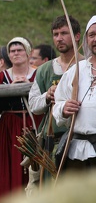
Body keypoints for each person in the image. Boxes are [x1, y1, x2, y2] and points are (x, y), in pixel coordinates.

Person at [0, 37, 42, 200]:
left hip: (34, 124)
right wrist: (10, 90)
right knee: (9, 167)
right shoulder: (3, 76)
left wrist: (29, 87)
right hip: (10, 127)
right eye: (12, 51)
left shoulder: (38, 73)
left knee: (35, 166)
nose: (16, 53)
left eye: (19, 50)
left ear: (28, 53)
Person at [28, 16, 82, 154]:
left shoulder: (88, 66)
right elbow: (33, 105)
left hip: (81, 140)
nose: (59, 38)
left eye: (64, 33)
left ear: (77, 36)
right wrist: (47, 96)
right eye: (55, 34)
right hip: (51, 141)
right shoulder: (44, 70)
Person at [52, 15, 96, 170]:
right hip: (76, 151)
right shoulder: (76, 69)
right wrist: (64, 109)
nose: (95, 39)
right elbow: (57, 104)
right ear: (86, 39)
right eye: (91, 35)